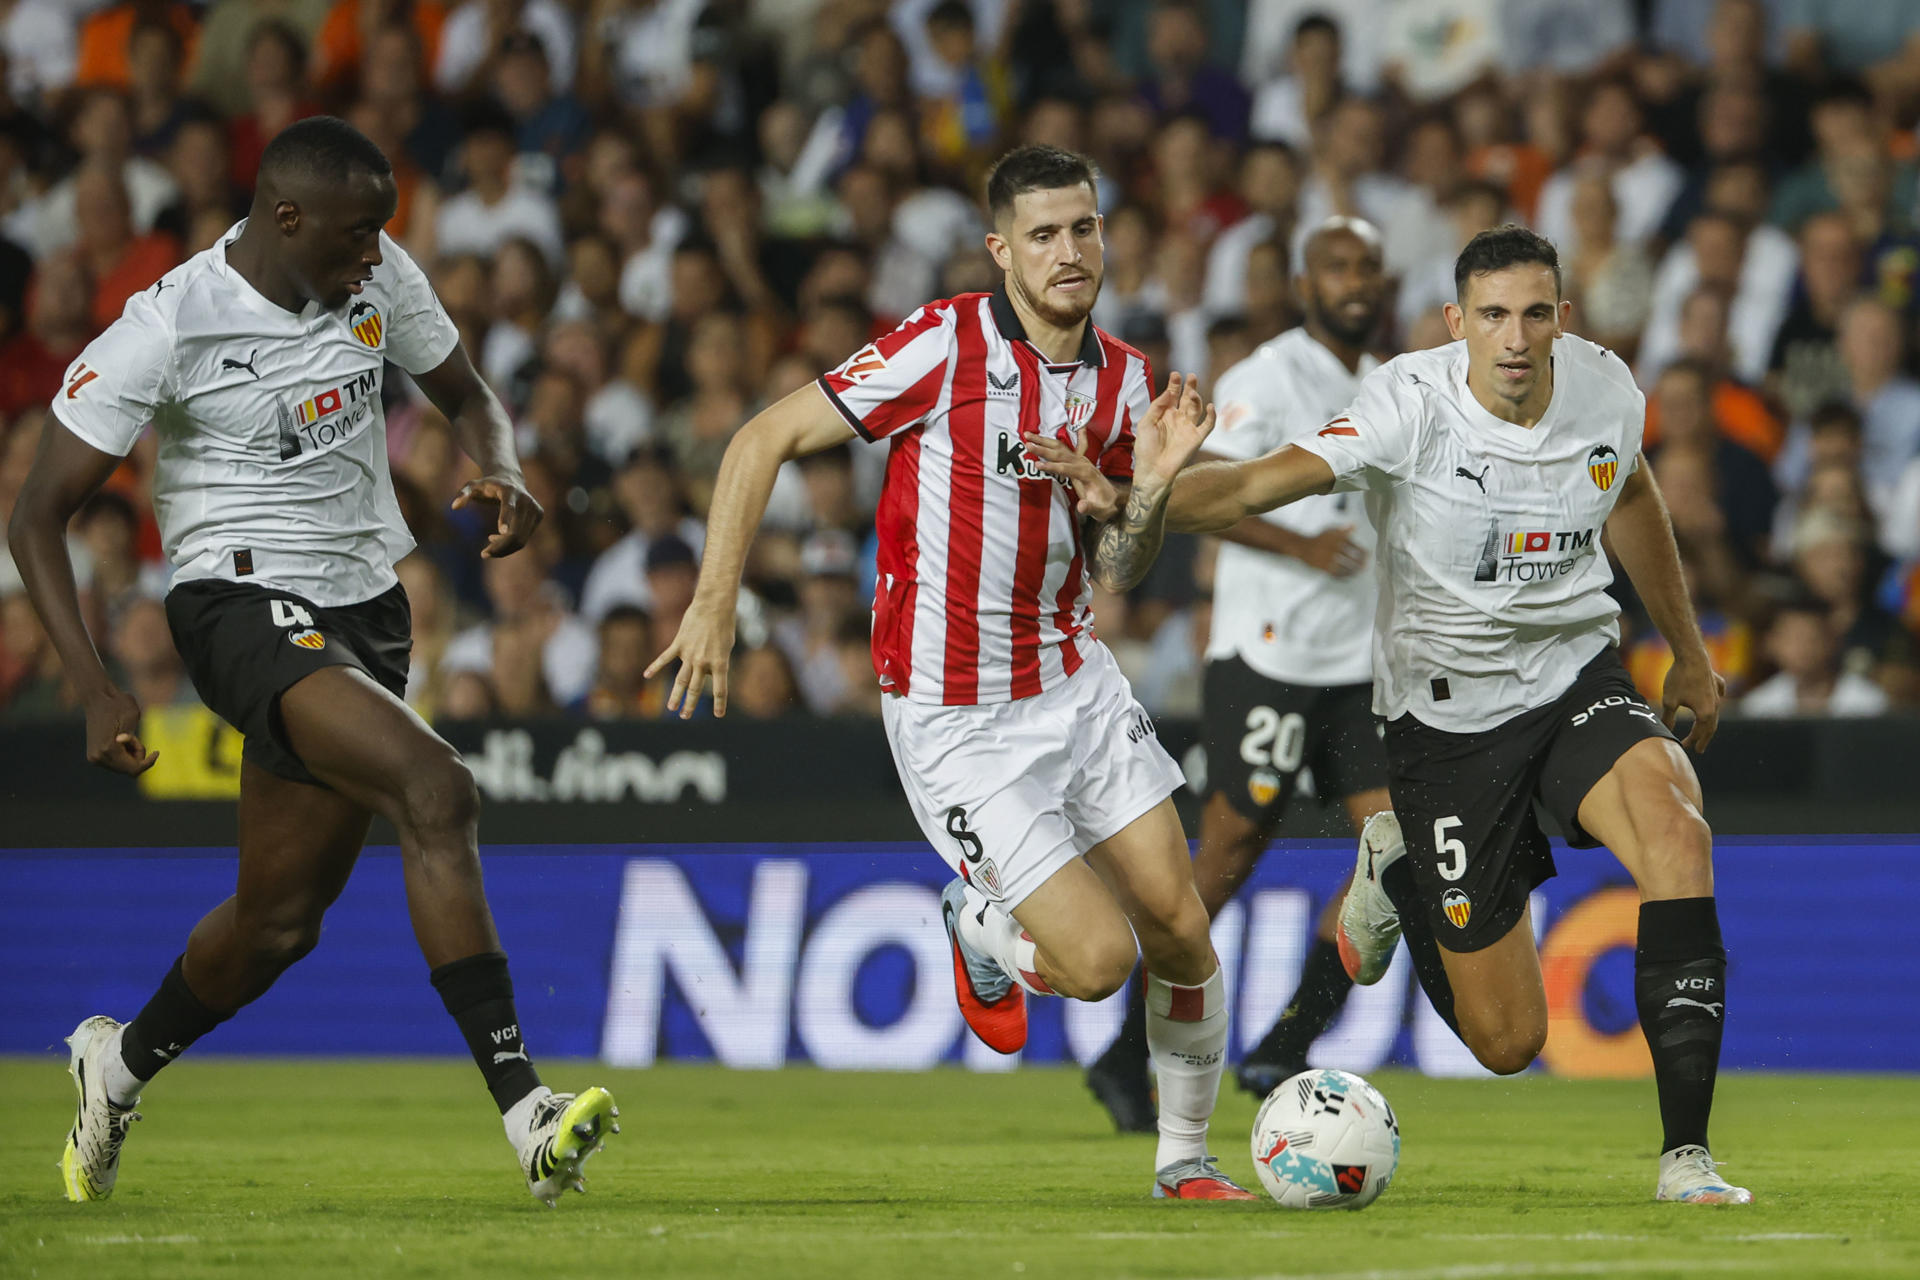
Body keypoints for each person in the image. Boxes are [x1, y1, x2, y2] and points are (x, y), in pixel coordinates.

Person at [6, 116, 617, 1206]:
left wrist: (503, 467)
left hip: (365, 612)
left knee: (279, 921)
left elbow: (469, 393)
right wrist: (96, 679)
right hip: (234, 599)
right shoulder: (172, 321)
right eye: (355, 233)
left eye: (382, 229)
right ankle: (525, 1107)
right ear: (284, 218)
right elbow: (36, 510)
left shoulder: (378, 276)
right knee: (437, 787)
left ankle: (118, 1060)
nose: (376, 252)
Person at [647, 144, 1252, 1200]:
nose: (1071, 252)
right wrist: (713, 602)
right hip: (955, 715)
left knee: (1182, 925)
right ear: (1000, 249)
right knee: (1101, 962)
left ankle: (1186, 1162)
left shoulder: (1125, 381)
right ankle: (981, 922)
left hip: (1073, 680)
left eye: (1086, 227)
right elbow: (761, 437)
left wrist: (1142, 489)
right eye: (1045, 234)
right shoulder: (945, 345)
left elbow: (1117, 565)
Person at [1162, 224, 1753, 1205]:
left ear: (1560, 317)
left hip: (1573, 676)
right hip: (1446, 728)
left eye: (1532, 313)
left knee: (1675, 821)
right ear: (1457, 322)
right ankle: (1397, 867)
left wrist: (1686, 649)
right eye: (1492, 316)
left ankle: (1685, 1156)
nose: (1514, 337)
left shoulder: (1607, 389)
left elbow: (1632, 487)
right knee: (1509, 1040)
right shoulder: (1406, 404)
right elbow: (1263, 482)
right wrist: (1146, 491)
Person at [1085, 216, 1398, 1131]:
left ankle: (1291, 1039)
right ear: (1304, 285)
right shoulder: (1271, 375)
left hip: (1359, 663)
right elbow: (1209, 479)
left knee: (1395, 851)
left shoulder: (1387, 382)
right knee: (1225, 857)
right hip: (1269, 653)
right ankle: (1120, 1054)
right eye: (1336, 265)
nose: (1355, 280)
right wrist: (1299, 547)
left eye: (1368, 266)